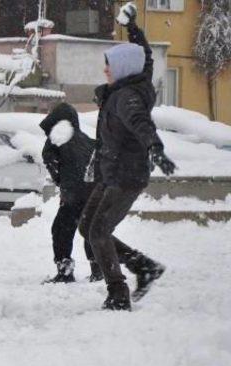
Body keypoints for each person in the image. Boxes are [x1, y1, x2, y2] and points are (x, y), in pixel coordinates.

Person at [79, 3, 176, 311]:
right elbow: (145, 57)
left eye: (109, 65)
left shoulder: (126, 97)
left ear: (121, 70)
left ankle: (118, 291)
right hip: (112, 172)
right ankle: (143, 265)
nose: (105, 70)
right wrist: (133, 29)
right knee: (87, 228)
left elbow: (141, 123)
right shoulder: (136, 81)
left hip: (125, 176)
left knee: (98, 231)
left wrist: (155, 147)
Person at [40, 102, 102, 283]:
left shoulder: (57, 139)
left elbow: (50, 160)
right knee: (89, 231)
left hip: (74, 195)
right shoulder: (84, 139)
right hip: (92, 194)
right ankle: (98, 269)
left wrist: (62, 182)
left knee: (61, 231)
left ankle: (65, 272)